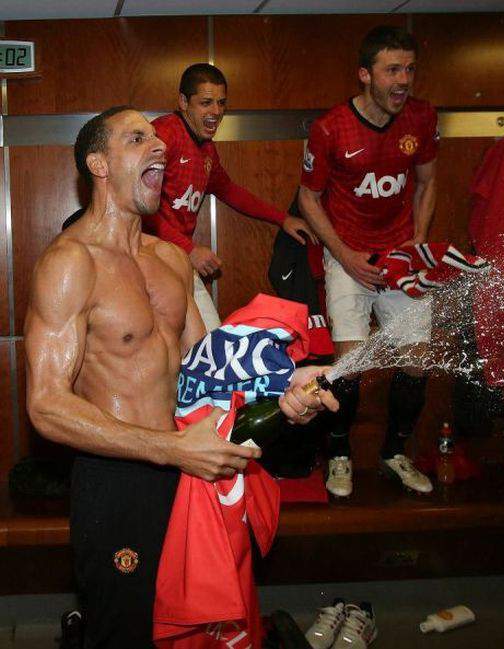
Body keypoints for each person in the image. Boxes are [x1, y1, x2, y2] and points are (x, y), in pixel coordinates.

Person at [24, 106, 336, 649]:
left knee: (197, 634)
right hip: (120, 481)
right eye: (136, 138)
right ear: (98, 164)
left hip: (192, 472)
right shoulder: (70, 264)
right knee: (125, 634)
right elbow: (46, 406)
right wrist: (170, 449)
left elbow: (209, 371)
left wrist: (280, 392)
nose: (160, 147)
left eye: (157, 138)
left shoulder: (171, 259)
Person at [299, 25, 439, 497]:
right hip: (349, 256)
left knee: (417, 362)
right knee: (350, 365)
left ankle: (394, 452)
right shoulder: (330, 127)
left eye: (410, 69)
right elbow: (308, 197)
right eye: (392, 70)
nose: (404, 81)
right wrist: (343, 255)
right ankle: (339, 454)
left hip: (400, 257)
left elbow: (427, 182)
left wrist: (417, 244)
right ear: (365, 74)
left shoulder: (421, 117)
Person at [143, 63, 316, 331]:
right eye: (206, 103)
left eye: (221, 103)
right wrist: (190, 249)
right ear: (183, 102)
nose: (216, 111)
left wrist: (282, 219)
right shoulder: (164, 136)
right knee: (170, 339)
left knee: (207, 338)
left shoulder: (207, 150)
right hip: (147, 258)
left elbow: (228, 190)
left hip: (177, 258)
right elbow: (140, 207)